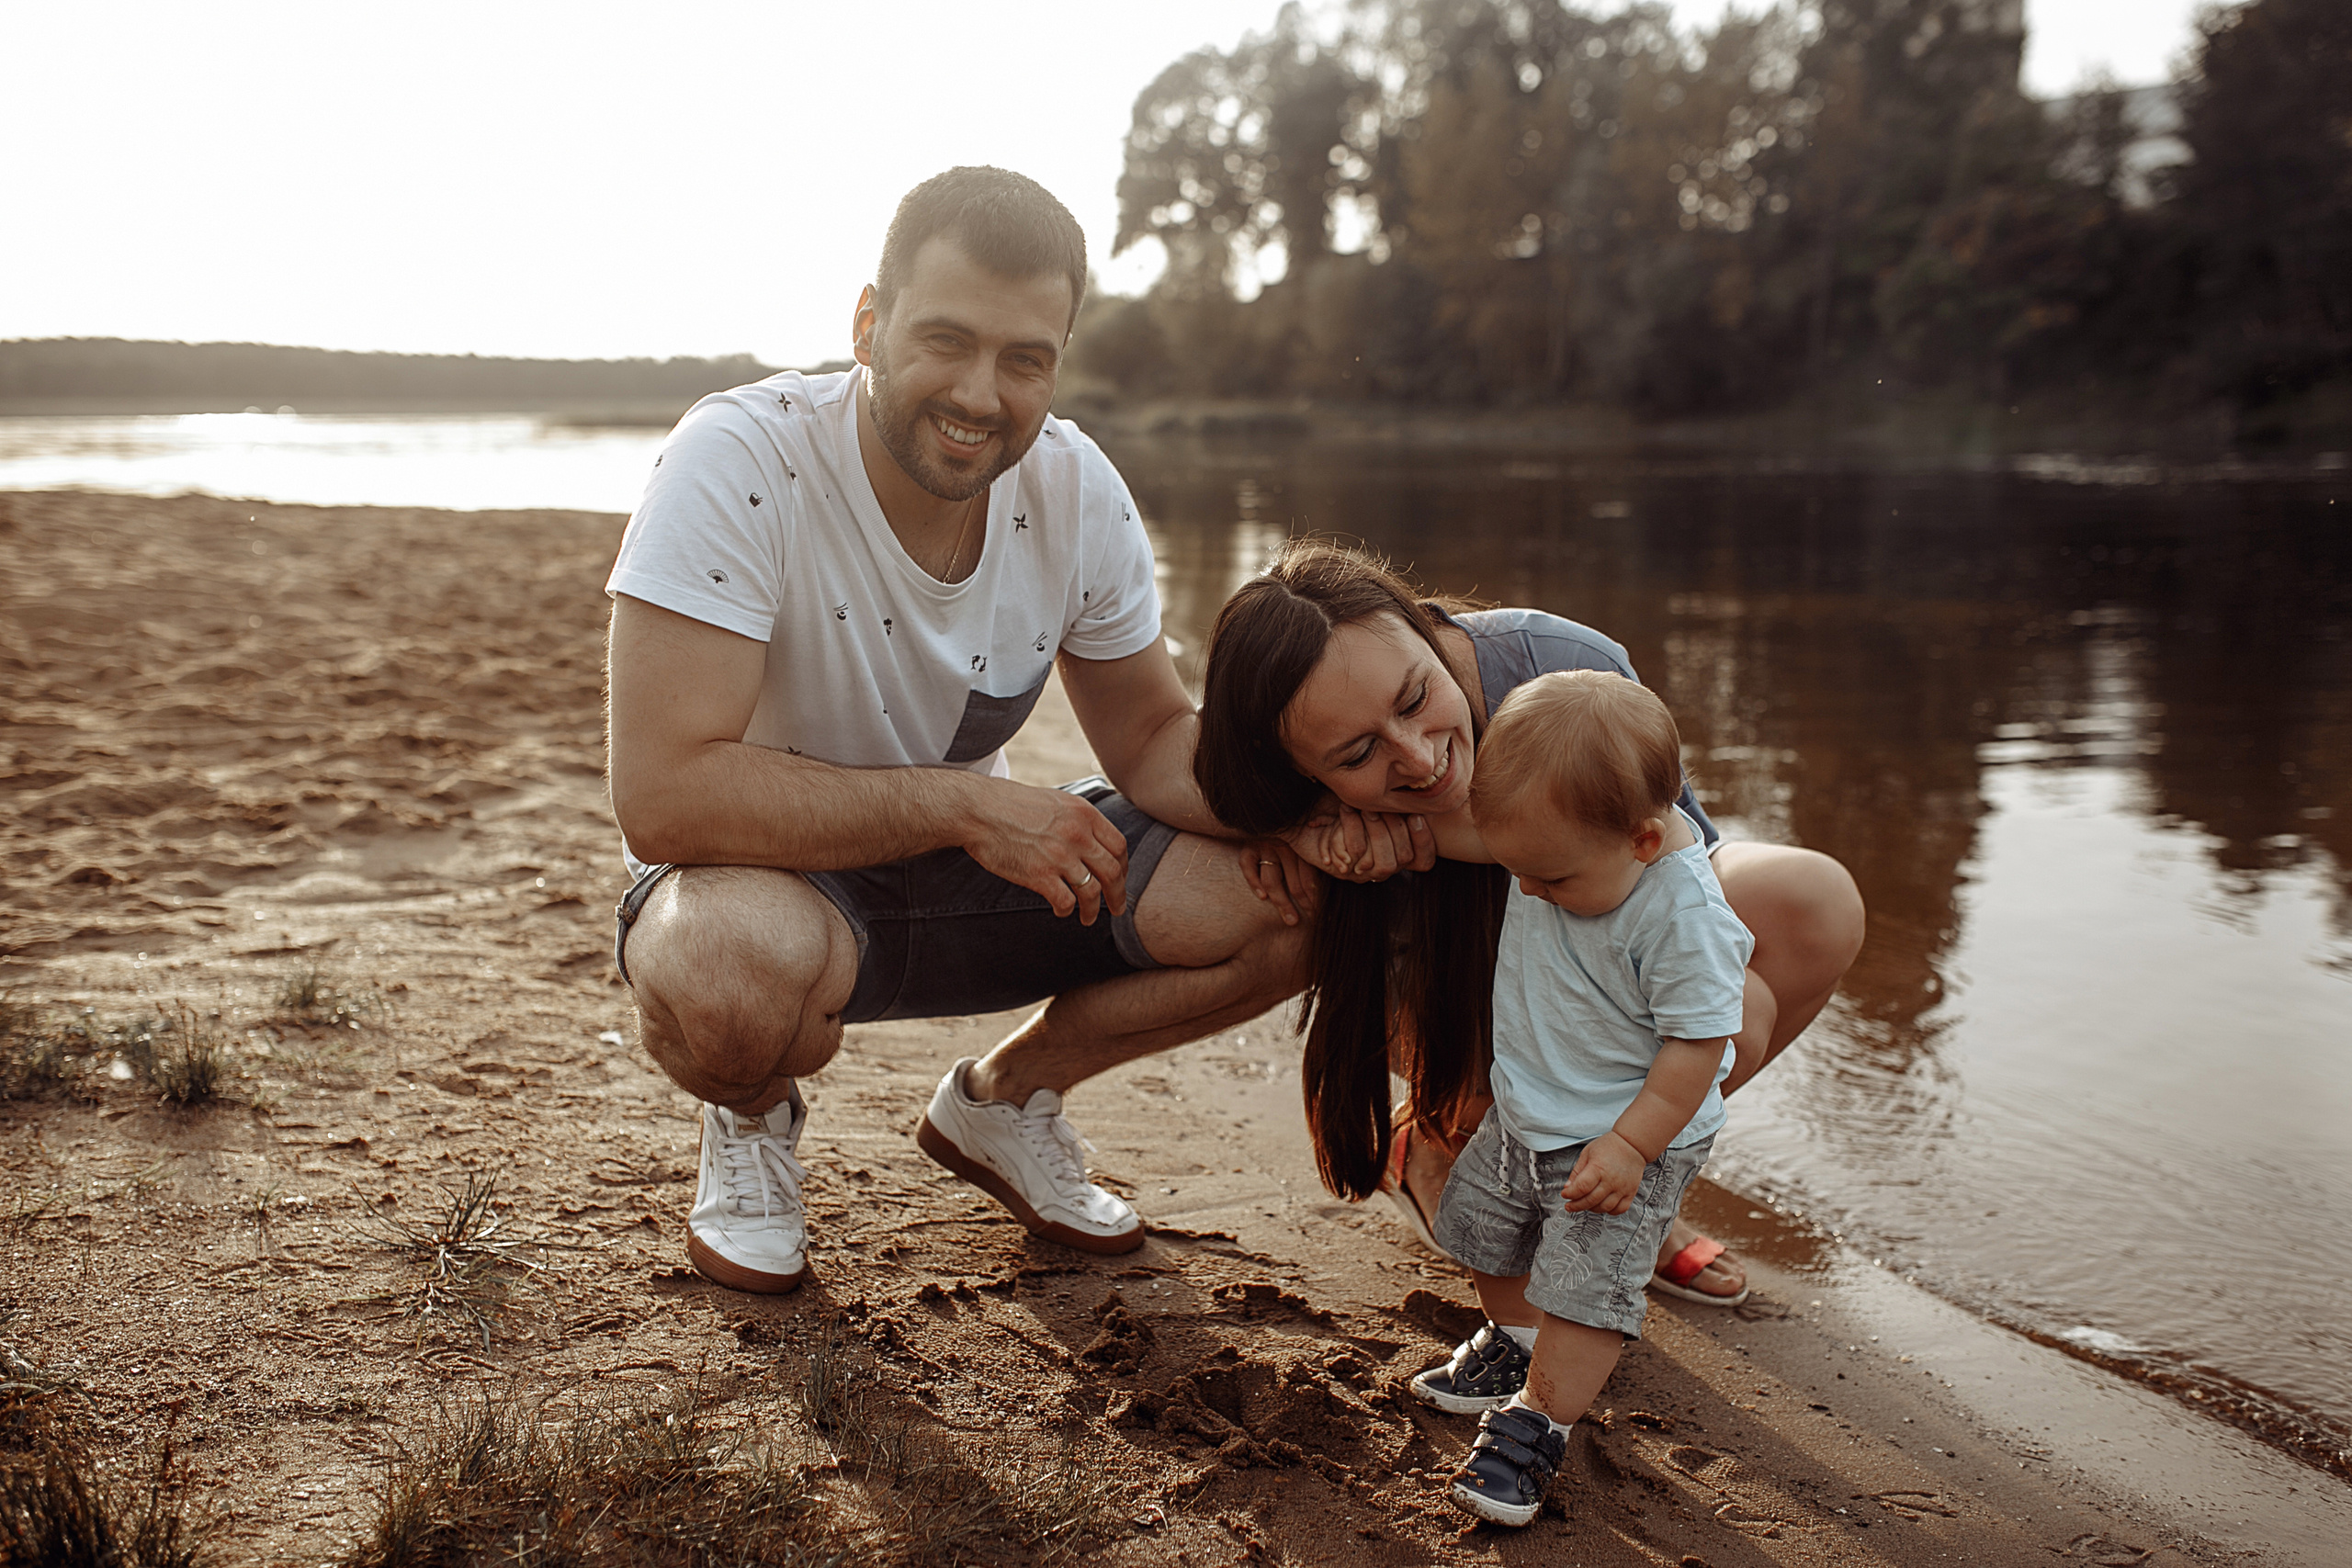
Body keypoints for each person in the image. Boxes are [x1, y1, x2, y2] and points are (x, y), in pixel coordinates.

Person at [604, 166, 1306, 1294]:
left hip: (972, 875)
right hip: (767, 879)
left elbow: (1155, 745)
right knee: (729, 987)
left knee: (1291, 900)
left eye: (1026, 358)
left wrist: (1328, 815)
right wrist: (966, 803)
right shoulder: (740, 459)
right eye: (946, 340)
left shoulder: (1076, 491)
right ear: (869, 323)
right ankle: (751, 1120)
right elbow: (664, 795)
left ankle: (1007, 1104)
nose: (982, 394)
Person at [1193, 539, 1865, 1306]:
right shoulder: (1283, 755)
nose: (1420, 759)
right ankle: (1438, 1143)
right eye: (1357, 754)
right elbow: (1164, 765)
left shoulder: (1558, 669)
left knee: (1767, 963)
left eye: (1414, 699)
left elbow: (1676, 880)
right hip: (1447, 1007)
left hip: (1582, 977)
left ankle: (1628, 1182)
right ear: (1302, 771)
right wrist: (1295, 830)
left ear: (1424, 627)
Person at [1409, 670, 1751, 1527]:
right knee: (1489, 1236)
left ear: (1643, 840)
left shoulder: (1681, 916)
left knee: (1584, 1287)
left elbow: (1700, 1043)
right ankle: (1515, 1347)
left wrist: (1634, 1143)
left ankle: (1540, 1421)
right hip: (1528, 1106)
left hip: (1622, 1134)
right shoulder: (1560, 845)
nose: (1524, 891)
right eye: (1514, 867)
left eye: (1548, 878)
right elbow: (1471, 840)